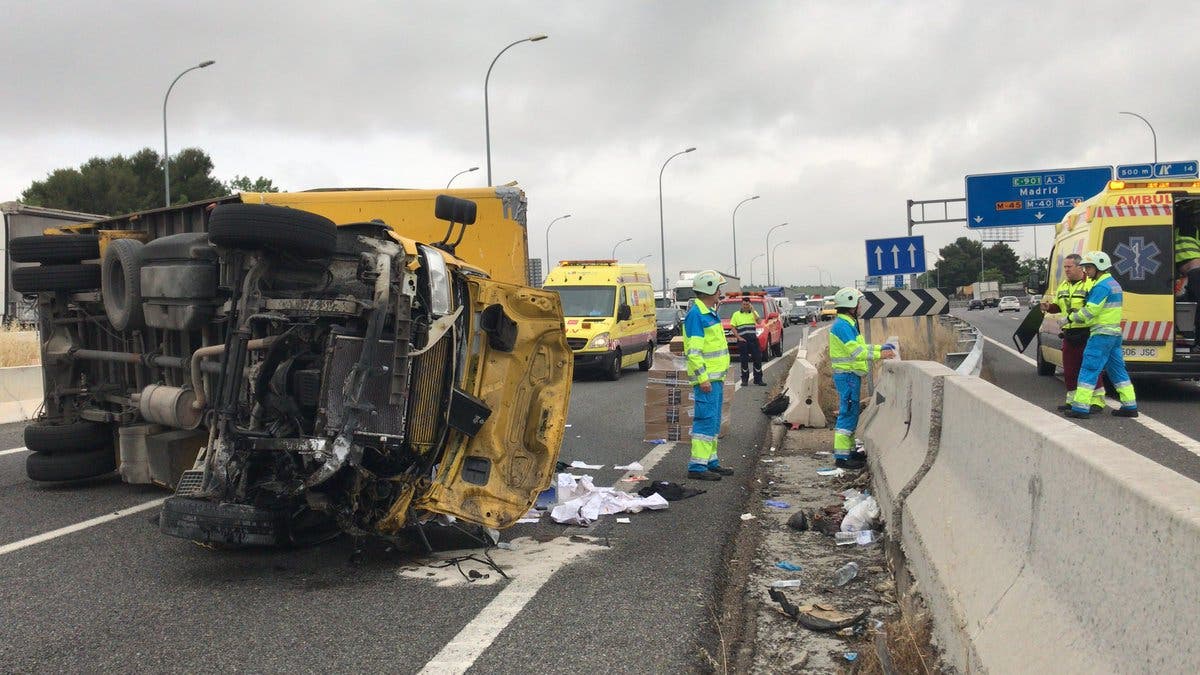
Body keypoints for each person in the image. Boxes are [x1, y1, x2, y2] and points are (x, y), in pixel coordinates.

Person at [1065, 251, 1138, 419]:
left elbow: (1090, 311)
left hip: (1101, 335)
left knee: (1089, 368)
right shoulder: (1114, 284)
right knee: (1118, 370)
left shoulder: (1101, 286)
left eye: (1089, 268)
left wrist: (1069, 318)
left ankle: (1080, 408)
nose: (1086, 271)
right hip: (1114, 335)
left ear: (1099, 268)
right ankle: (1130, 405)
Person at [827, 288, 895, 469]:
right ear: (850, 305)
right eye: (858, 303)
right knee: (847, 412)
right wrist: (881, 355)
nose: (860, 307)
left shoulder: (848, 324)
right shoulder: (843, 326)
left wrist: (880, 349)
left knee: (851, 412)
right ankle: (842, 458)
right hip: (847, 376)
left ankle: (849, 451)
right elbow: (857, 352)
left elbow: (862, 347)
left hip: (850, 376)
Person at [682, 270, 733, 480]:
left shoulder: (708, 312)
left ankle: (710, 461)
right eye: (718, 289)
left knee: (713, 422)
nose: (720, 293)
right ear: (710, 289)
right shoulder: (697, 315)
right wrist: (702, 378)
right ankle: (697, 467)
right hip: (707, 379)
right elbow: (694, 353)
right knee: (705, 421)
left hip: (715, 378)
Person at [1040, 253, 1105, 412]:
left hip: (1087, 332)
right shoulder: (1063, 285)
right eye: (1065, 267)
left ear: (1079, 267)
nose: (1066, 270)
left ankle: (1096, 402)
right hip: (1069, 334)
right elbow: (1058, 306)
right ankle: (1073, 400)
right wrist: (1049, 307)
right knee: (1069, 370)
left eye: (1069, 267)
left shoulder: (1090, 284)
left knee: (1090, 367)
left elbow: (1093, 307)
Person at [729, 296, 765, 386]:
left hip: (753, 339)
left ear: (750, 304)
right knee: (744, 360)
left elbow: (760, 322)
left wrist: (753, 310)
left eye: (747, 304)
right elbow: (732, 327)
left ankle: (758, 379)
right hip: (743, 341)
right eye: (744, 304)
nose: (745, 306)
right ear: (741, 304)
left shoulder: (753, 313)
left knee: (757, 359)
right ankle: (744, 380)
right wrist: (738, 337)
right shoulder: (736, 314)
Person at [1175, 221, 1200, 347]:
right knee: (1185, 301)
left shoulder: (1173, 232)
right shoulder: (1195, 230)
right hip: (1192, 272)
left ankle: (1195, 340)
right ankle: (1191, 337)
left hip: (1194, 272)